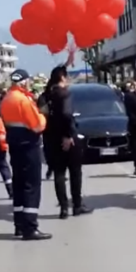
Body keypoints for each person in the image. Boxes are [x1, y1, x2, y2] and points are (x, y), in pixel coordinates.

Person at [1, 68, 51, 240]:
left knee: (19, 184)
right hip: (29, 145)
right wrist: (43, 115)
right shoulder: (24, 100)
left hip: (15, 146)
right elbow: (37, 125)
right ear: (23, 82)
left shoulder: (6, 99)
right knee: (32, 185)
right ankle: (30, 226)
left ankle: (19, 224)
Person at [43, 66, 92, 219]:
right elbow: (66, 114)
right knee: (75, 172)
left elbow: (43, 114)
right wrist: (68, 135)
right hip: (67, 138)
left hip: (51, 138)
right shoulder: (65, 94)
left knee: (59, 173)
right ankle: (76, 205)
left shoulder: (45, 95)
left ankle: (63, 208)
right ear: (63, 78)